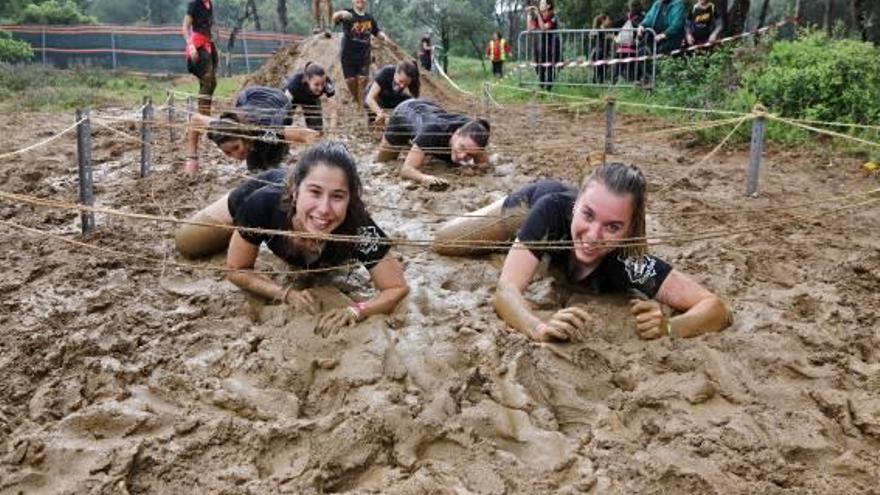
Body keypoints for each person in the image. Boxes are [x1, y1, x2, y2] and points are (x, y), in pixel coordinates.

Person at [436, 163, 732, 342]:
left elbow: (715, 308)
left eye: (613, 227)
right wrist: (538, 327)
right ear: (576, 204)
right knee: (444, 242)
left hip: (549, 235)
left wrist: (669, 327)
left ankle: (524, 247)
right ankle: (513, 232)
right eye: (588, 216)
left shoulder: (629, 261)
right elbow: (505, 292)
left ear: (629, 230)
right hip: (527, 208)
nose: (593, 237)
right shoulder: (552, 211)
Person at [175, 141, 408, 335]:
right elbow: (236, 269)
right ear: (295, 191)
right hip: (254, 193)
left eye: (337, 196)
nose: (324, 209)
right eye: (314, 192)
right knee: (188, 243)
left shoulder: (358, 225)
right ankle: (239, 228)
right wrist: (284, 293)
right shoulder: (262, 204)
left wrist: (357, 310)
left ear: (350, 199)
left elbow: (396, 287)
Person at [184, 86, 320, 174]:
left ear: (244, 138)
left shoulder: (265, 133)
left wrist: (318, 165)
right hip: (248, 97)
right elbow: (195, 119)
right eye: (227, 152)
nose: (235, 156)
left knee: (272, 161)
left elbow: (307, 135)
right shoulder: (219, 128)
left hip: (279, 102)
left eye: (236, 148)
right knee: (255, 169)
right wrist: (192, 158)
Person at [377, 99, 490, 188]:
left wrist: (473, 170)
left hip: (431, 109)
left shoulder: (474, 139)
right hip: (404, 113)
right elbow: (406, 170)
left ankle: (417, 147)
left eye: (469, 154)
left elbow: (483, 165)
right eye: (462, 147)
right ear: (456, 133)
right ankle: (388, 125)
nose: (462, 156)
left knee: (424, 148)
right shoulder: (432, 131)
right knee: (383, 161)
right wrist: (424, 178)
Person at [332, 0, 390, 106]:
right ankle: (356, 99)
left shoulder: (369, 18)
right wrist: (340, 14)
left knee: (363, 79)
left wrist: (384, 37)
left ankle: (361, 100)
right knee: (350, 80)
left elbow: (376, 31)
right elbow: (334, 17)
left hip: (364, 54)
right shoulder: (348, 13)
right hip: (348, 54)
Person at [182, 0, 218, 116]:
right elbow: (185, 27)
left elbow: (209, 25)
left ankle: (205, 115)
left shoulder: (209, 4)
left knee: (212, 83)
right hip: (197, 44)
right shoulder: (194, 4)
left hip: (208, 43)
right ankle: (203, 117)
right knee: (207, 80)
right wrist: (191, 45)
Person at [363, 60, 420, 126]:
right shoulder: (386, 72)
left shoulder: (412, 80)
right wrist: (379, 113)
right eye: (401, 81)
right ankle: (372, 120)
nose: (402, 86)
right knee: (378, 116)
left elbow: (414, 99)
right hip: (376, 95)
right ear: (395, 73)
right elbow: (369, 98)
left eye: (406, 84)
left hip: (393, 96)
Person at [284, 62, 337, 132]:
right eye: (316, 84)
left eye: (322, 84)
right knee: (284, 121)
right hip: (293, 98)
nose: (320, 88)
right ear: (307, 80)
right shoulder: (294, 83)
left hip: (311, 99)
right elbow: (282, 107)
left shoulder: (327, 83)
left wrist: (332, 132)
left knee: (316, 129)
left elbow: (333, 109)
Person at [527, 0, 561, 92]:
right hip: (541, 46)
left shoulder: (553, 16)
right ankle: (542, 90)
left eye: (542, 4)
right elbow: (529, 29)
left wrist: (538, 15)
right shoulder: (539, 16)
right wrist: (529, 15)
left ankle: (548, 90)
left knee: (550, 70)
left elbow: (544, 28)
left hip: (552, 47)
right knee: (539, 69)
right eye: (540, 3)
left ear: (548, 6)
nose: (540, 5)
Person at [613, 0, 645, 83]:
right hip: (629, 46)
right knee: (630, 66)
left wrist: (616, 36)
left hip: (627, 46)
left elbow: (615, 24)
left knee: (621, 66)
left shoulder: (629, 17)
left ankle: (617, 82)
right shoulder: (639, 17)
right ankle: (635, 81)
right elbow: (615, 24)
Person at [589, 15, 614, 84]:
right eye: (607, 20)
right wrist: (609, 37)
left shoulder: (600, 29)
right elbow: (594, 36)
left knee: (599, 71)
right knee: (600, 71)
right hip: (600, 52)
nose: (609, 22)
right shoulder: (600, 29)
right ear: (603, 21)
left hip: (600, 52)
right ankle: (597, 85)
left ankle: (598, 85)